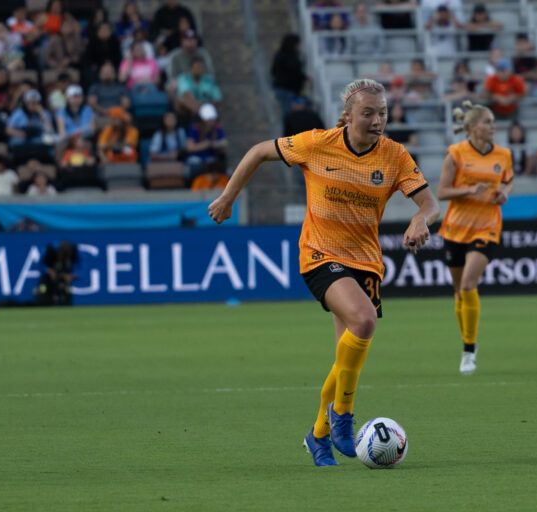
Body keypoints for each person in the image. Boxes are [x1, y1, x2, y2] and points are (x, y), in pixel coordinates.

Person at [207, 78, 439, 467]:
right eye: (368, 113)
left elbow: (430, 204)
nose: (377, 120)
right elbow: (258, 152)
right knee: (364, 321)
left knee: (345, 359)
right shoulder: (317, 143)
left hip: (365, 261)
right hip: (320, 253)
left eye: (382, 112)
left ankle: (317, 435)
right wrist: (228, 197)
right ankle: (342, 418)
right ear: (347, 116)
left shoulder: (395, 156)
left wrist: (421, 219)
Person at [436, 101, 513, 375]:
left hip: (487, 226)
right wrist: (469, 190)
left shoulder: (503, 154)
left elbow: (508, 180)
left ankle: (469, 350)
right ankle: (468, 340)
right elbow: (442, 192)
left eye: (493, 122)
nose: (492, 127)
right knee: (458, 292)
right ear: (472, 127)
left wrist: (505, 192)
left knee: (469, 284)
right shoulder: (456, 153)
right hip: (456, 228)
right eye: (487, 122)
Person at [271, 33, 307, 117]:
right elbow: (294, 71)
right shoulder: (289, 57)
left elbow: (273, 71)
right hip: (287, 89)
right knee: (289, 114)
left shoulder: (280, 55)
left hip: (284, 88)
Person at [36, 241, 78, 306]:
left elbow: (80, 269)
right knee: (43, 292)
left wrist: (72, 275)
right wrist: (48, 270)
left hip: (62, 280)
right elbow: (40, 265)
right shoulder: (49, 251)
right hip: (47, 280)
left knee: (65, 294)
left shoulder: (74, 253)